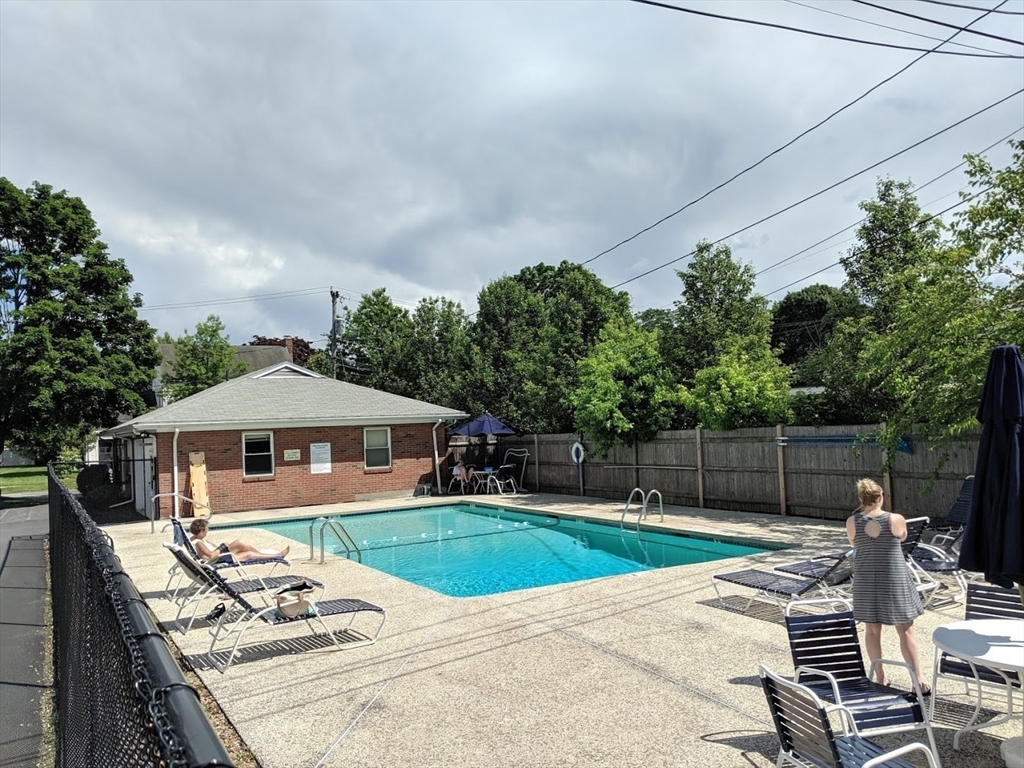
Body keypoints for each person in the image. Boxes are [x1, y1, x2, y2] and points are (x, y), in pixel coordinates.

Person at [845, 478, 928, 695]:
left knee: (872, 631)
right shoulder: (895, 519)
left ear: (861, 499)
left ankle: (880, 676)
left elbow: (854, 543)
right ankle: (917, 681)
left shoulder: (852, 522)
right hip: (893, 579)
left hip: (866, 580)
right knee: (906, 630)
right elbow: (902, 537)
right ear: (880, 497)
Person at [189, 518, 290, 563]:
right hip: (219, 559)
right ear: (201, 531)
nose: (207, 531)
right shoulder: (198, 542)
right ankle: (276, 556)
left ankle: (265, 555)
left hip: (220, 556)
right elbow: (210, 556)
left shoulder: (195, 539)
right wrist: (222, 547)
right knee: (245, 549)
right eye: (206, 529)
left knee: (245, 548)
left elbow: (210, 553)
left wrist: (221, 547)